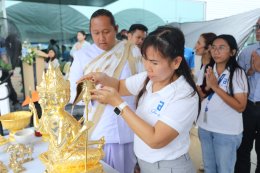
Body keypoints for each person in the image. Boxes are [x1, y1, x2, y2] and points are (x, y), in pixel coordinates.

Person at [78, 26, 199, 173]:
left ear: (176, 62)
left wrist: (118, 104)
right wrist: (103, 78)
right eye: (145, 59)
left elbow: (155, 140)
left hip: (170, 167)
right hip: (146, 164)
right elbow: (119, 86)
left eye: (154, 63)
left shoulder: (184, 95)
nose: (148, 67)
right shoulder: (148, 78)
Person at [68, 9, 143, 173]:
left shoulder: (132, 51)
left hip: (129, 126)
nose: (101, 38)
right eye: (96, 33)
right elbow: (72, 91)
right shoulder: (82, 55)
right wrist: (91, 95)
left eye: (106, 32)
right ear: (90, 33)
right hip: (100, 130)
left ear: (116, 28)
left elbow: (143, 85)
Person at [196, 34, 248, 173]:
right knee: (209, 168)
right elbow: (200, 96)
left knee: (225, 169)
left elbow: (240, 106)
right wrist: (207, 87)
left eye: (221, 48)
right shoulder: (207, 69)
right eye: (213, 47)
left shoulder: (237, 74)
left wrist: (215, 87)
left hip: (226, 132)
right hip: (205, 127)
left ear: (232, 52)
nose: (216, 51)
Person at [235, 17, 260, 173]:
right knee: (243, 147)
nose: (258, 31)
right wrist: (250, 71)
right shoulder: (247, 51)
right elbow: (237, 77)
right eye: (257, 26)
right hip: (248, 106)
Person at [195, 32, 217, 99]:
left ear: (208, 48)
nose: (195, 45)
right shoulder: (200, 62)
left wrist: (200, 91)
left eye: (199, 43)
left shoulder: (213, 68)